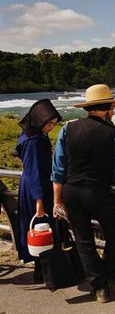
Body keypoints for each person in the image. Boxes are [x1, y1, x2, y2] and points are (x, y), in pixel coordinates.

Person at [51, 84, 115, 303]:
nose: (114, 112)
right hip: (98, 192)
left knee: (83, 240)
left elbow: (58, 169)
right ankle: (112, 274)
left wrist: (57, 201)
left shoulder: (68, 128)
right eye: (113, 108)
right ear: (107, 108)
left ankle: (99, 286)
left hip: (71, 192)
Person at [15, 99, 62, 283]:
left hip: (32, 186)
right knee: (42, 228)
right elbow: (34, 171)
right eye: (49, 123)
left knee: (36, 229)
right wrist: (39, 201)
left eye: (53, 124)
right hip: (37, 189)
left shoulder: (29, 135)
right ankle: (43, 271)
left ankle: (42, 270)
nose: (51, 127)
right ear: (39, 121)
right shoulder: (34, 141)